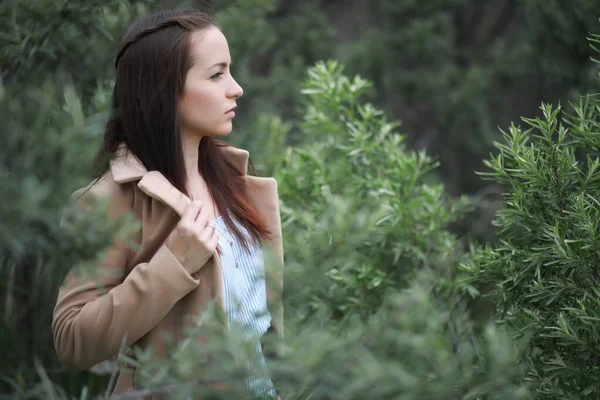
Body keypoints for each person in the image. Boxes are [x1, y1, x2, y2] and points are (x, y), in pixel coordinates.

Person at [51, 8, 284, 399]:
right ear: (166, 92)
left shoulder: (233, 181)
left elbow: (262, 331)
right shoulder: (110, 200)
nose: (236, 88)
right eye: (216, 74)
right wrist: (171, 264)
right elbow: (72, 338)